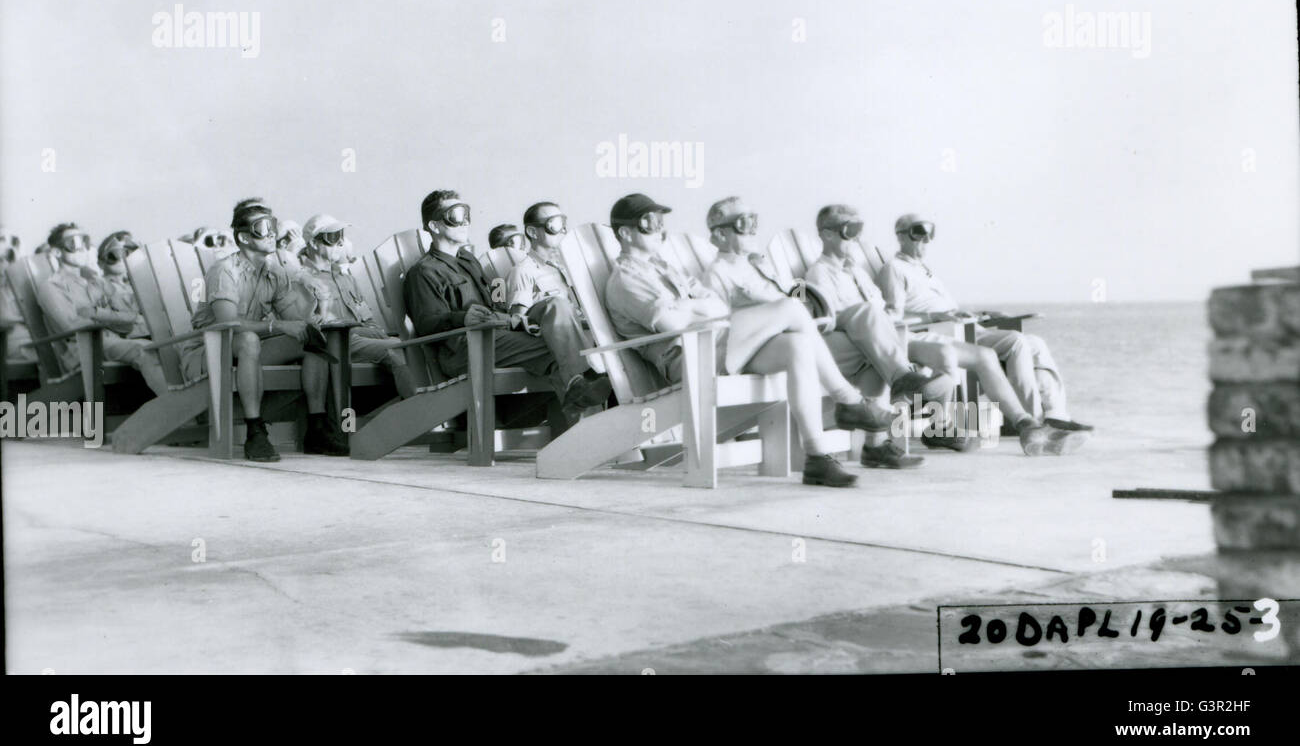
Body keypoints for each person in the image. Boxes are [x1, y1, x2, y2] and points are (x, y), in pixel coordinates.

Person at [604, 193, 899, 488]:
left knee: (799, 346)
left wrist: (686, 307)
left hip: (720, 343)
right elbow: (672, 324)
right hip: (691, 358)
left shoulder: (665, 268)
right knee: (792, 307)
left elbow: (717, 307)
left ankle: (817, 458)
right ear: (625, 233)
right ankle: (848, 400)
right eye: (648, 222)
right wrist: (693, 309)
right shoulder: (626, 279)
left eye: (660, 221)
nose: (659, 228)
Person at [704, 197, 936, 470]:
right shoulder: (718, 273)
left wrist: (813, 305)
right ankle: (853, 401)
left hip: (802, 334)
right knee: (844, 334)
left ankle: (876, 443)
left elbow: (796, 294)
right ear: (720, 234)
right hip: (757, 350)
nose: (754, 228)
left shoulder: (761, 266)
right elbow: (720, 327)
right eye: (745, 223)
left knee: (874, 349)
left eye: (755, 221)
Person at [876, 213, 1090, 455]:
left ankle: (1055, 415)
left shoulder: (924, 271)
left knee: (1035, 343)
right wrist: (936, 318)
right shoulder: (894, 269)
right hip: (944, 333)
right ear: (901, 236)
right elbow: (892, 318)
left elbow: (944, 308)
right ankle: (1036, 424)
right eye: (918, 234)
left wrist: (979, 314)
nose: (925, 241)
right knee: (1017, 342)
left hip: (964, 326)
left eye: (929, 235)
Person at [403, 190, 610, 424]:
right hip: (465, 347)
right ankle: (584, 402)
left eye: (467, 213)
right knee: (558, 345)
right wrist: (462, 318)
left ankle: (578, 394)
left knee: (556, 304)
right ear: (435, 225)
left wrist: (513, 319)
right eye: (456, 215)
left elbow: (495, 302)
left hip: (496, 334)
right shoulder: (423, 272)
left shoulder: (469, 261)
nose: (466, 221)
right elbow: (426, 323)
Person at [180, 200, 349, 462]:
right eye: (263, 227)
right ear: (244, 237)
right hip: (207, 352)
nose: (271, 233)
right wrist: (277, 325)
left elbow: (295, 320)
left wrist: (319, 308)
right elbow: (228, 325)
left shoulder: (274, 273)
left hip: (249, 350)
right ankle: (255, 432)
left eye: (273, 226)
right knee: (247, 339)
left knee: (312, 339)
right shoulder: (225, 270)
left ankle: (317, 428)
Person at [34, 223, 169, 400]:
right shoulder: (51, 287)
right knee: (145, 349)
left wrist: (99, 314)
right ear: (57, 252)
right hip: (85, 347)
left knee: (167, 343)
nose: (81, 248)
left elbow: (125, 313)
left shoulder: (94, 281)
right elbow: (71, 326)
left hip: (112, 340)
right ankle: (178, 409)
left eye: (85, 241)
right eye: (73, 242)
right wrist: (113, 317)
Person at [296, 213, 418, 402]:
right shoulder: (303, 280)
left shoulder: (345, 278)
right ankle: (417, 408)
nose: (340, 243)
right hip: (336, 343)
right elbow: (313, 329)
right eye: (332, 237)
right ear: (313, 243)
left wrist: (374, 332)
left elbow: (366, 317)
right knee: (398, 347)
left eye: (341, 236)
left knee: (411, 345)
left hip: (359, 338)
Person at [1, 227, 36, 362]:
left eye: (8, 259)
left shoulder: (14, 286)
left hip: (31, 339)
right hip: (11, 344)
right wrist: (23, 319)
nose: (5, 264)